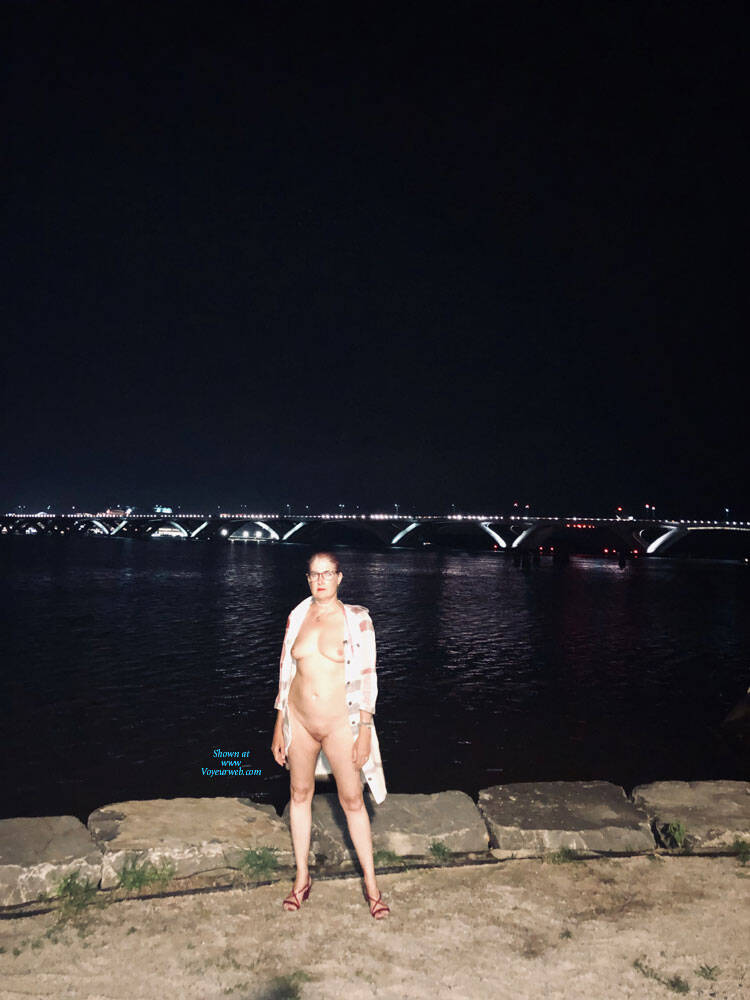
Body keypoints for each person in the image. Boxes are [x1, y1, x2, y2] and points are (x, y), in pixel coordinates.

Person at [271, 551, 389, 919]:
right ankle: (301, 878)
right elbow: (286, 672)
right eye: (314, 574)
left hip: (342, 724)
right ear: (308, 579)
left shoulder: (357, 620)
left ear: (339, 577)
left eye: (327, 573)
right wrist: (279, 724)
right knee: (299, 794)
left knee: (352, 800)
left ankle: (372, 886)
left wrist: (365, 730)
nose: (320, 580)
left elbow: (368, 677)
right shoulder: (297, 616)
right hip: (300, 721)